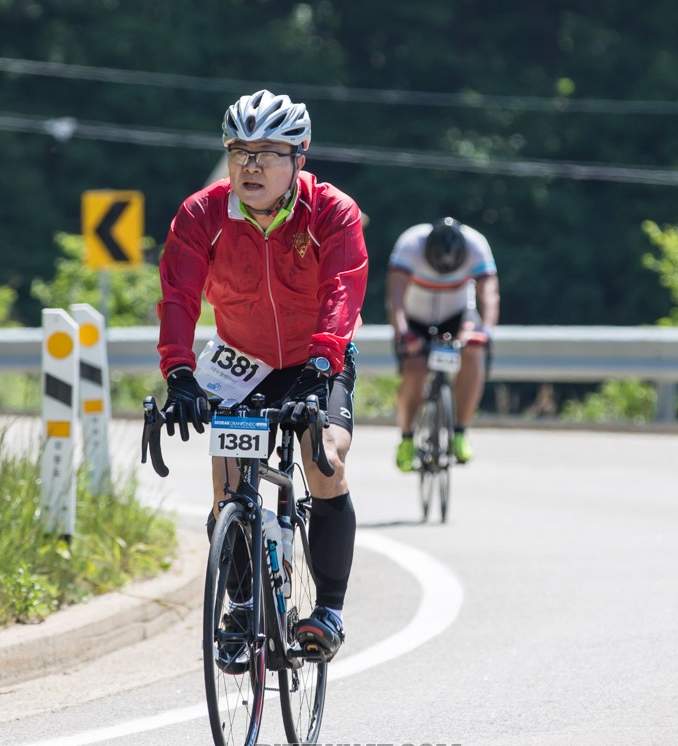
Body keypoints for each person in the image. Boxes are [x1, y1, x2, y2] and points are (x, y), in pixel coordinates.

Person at [156, 89, 368, 661]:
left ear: (299, 157)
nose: (251, 166)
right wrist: (178, 372)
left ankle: (329, 610)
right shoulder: (201, 214)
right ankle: (243, 603)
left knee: (324, 456)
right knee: (228, 486)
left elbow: (342, 291)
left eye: (268, 153)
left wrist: (320, 366)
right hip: (240, 358)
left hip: (315, 356)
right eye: (240, 152)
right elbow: (178, 295)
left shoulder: (331, 211)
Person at [386, 217, 500, 471]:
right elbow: (395, 297)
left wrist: (485, 331)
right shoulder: (410, 243)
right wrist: (403, 333)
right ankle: (406, 438)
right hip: (415, 319)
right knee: (415, 370)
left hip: (457, 316)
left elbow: (489, 294)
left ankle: (460, 431)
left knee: (473, 353)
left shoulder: (477, 244)